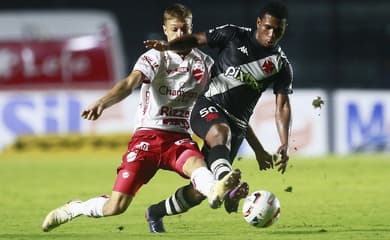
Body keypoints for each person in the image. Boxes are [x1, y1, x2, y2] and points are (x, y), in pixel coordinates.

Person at [41, 3, 243, 233]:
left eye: (185, 30)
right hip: (148, 137)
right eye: (175, 29)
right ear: (165, 30)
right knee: (115, 207)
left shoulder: (204, 64)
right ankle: (75, 208)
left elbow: (223, 105)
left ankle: (216, 191)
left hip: (178, 138)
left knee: (198, 165)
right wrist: (102, 102)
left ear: (192, 29)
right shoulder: (156, 57)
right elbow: (129, 84)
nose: (180, 35)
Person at [144, 0, 292, 232]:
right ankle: (230, 185)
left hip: (236, 128)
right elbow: (195, 40)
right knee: (220, 132)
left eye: (278, 30)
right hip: (207, 107)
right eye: (268, 27)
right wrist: (168, 46)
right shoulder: (233, 35)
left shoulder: (280, 65)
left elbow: (282, 106)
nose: (272, 34)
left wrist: (280, 144)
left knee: (199, 193)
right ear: (258, 23)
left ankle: (156, 211)